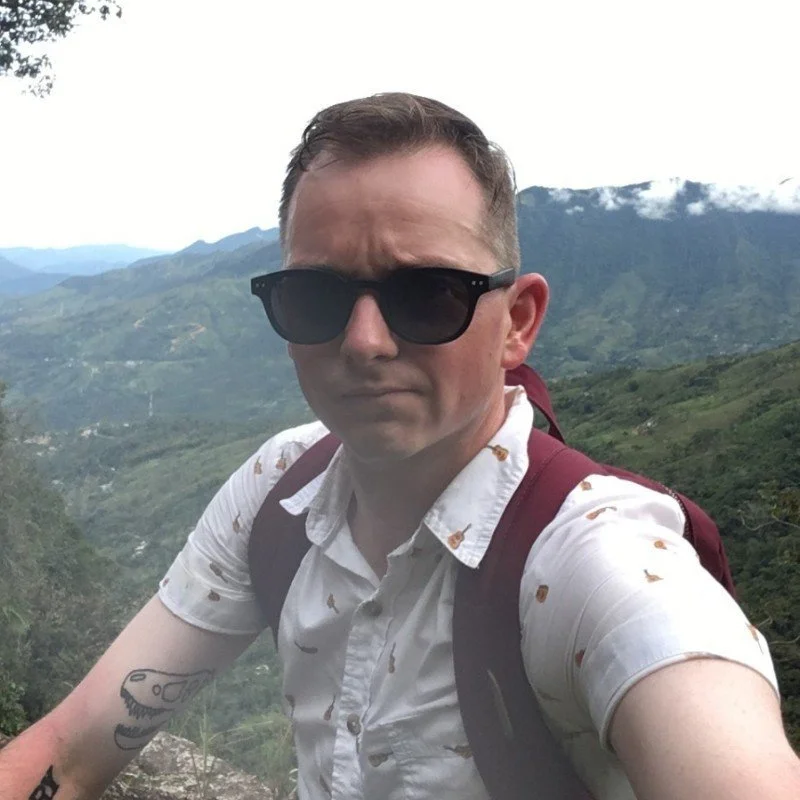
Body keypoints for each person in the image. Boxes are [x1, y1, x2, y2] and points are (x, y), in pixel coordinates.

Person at [1, 93, 798, 800]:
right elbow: (72, 753)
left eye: (429, 294)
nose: (365, 342)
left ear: (517, 321)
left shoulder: (595, 566)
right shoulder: (279, 490)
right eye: (316, 296)